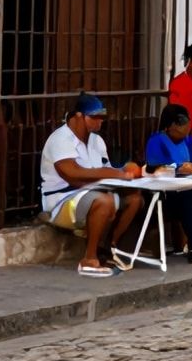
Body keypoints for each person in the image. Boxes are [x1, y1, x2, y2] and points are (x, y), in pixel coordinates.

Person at [38, 92, 143, 277]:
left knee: (135, 199)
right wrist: (112, 173)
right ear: (78, 116)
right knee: (104, 201)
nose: (100, 121)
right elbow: (73, 175)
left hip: (92, 192)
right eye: (95, 117)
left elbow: (106, 169)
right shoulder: (60, 139)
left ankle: (108, 247)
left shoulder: (97, 141)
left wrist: (124, 170)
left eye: (102, 117)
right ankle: (89, 258)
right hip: (62, 199)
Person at [143, 103, 192, 264]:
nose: (188, 126)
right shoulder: (156, 141)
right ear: (171, 126)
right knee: (188, 198)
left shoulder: (188, 141)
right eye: (183, 122)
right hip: (166, 194)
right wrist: (179, 169)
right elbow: (155, 168)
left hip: (189, 186)